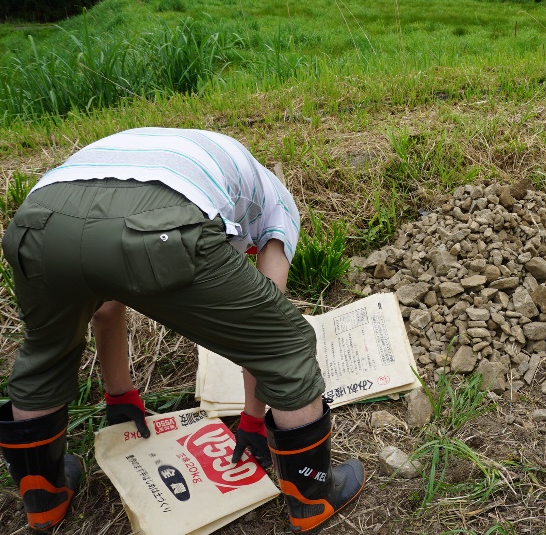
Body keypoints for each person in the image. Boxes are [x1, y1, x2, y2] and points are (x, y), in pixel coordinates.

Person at [0, 127, 364, 533]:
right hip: (157, 221)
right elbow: (264, 334)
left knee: (44, 353)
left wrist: (120, 396)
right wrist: (253, 421)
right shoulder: (278, 204)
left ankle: (43, 501)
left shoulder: (191, 160)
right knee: (288, 343)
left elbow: (103, 306)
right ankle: (312, 498)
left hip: (40, 221)